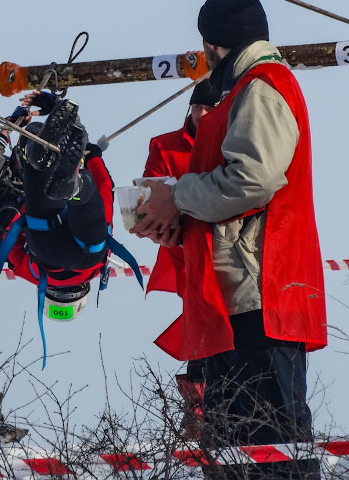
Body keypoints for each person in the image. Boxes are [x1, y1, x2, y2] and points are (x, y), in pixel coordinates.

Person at [132, 0, 327, 479]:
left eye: (206, 45)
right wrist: (180, 222)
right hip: (241, 298)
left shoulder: (262, 87)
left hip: (260, 299)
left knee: (270, 453)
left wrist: (176, 196)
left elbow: (253, 180)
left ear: (215, 43)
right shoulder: (251, 90)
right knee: (238, 457)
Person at [0, 91, 142, 365]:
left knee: (81, 195)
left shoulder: (96, 268)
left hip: (87, 249)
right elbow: (9, 243)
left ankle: (74, 181)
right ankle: (48, 164)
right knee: (39, 191)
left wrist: (93, 157)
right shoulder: (30, 273)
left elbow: (104, 194)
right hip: (43, 245)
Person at [142, 77, 220, 436]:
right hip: (184, 252)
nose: (202, 114)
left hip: (226, 252)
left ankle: (209, 409)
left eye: (209, 108)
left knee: (222, 329)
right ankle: (198, 409)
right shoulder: (165, 145)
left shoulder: (232, 143)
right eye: (198, 106)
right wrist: (157, 227)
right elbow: (146, 200)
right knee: (202, 321)